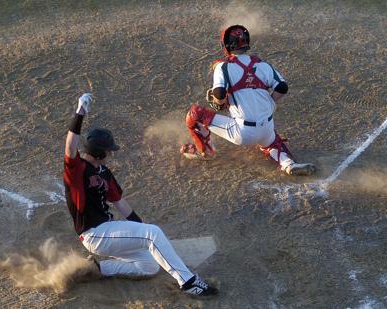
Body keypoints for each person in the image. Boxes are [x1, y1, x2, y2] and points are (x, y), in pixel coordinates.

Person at [63, 93, 218, 296]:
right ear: (100, 153)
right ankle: (188, 282)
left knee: (149, 265)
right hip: (94, 233)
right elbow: (69, 146)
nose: (111, 154)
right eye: (109, 151)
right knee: (153, 234)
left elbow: (120, 204)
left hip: (106, 232)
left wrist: (139, 226)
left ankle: (98, 269)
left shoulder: (104, 173)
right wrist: (80, 113)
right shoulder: (77, 170)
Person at [180, 25, 316, 176]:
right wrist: (270, 102)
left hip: (243, 132)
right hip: (267, 128)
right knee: (270, 142)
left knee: (195, 114)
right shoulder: (263, 65)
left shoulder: (223, 67)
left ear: (226, 45)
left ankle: (206, 152)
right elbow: (282, 87)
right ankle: (288, 164)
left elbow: (219, 93)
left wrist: (218, 104)